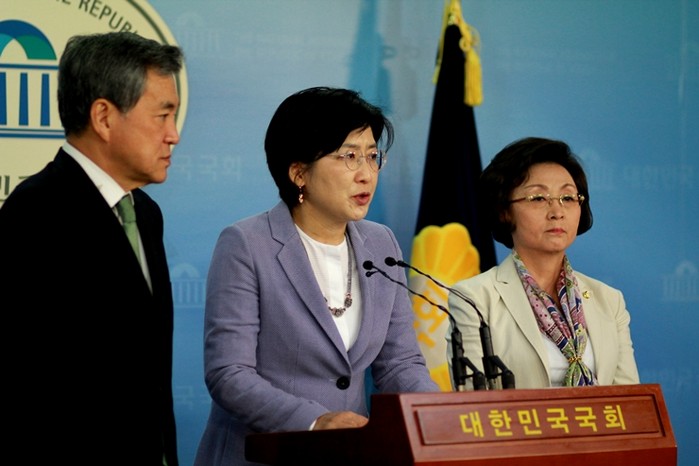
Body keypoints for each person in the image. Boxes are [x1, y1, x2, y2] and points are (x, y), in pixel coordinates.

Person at [194, 86, 439, 466]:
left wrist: (436, 415)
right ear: (299, 173)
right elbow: (229, 373)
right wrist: (314, 421)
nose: (366, 174)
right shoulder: (246, 244)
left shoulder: (381, 243)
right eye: (349, 156)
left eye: (372, 156)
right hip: (261, 455)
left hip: (350, 454)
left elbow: (399, 363)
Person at [0, 32, 184, 465]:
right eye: (162, 116)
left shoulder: (146, 214)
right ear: (103, 117)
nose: (173, 135)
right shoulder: (36, 213)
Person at [447, 137, 640, 390]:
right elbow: (474, 400)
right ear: (504, 211)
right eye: (538, 198)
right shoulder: (475, 299)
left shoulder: (609, 300)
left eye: (568, 198)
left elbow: (630, 399)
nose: (557, 212)